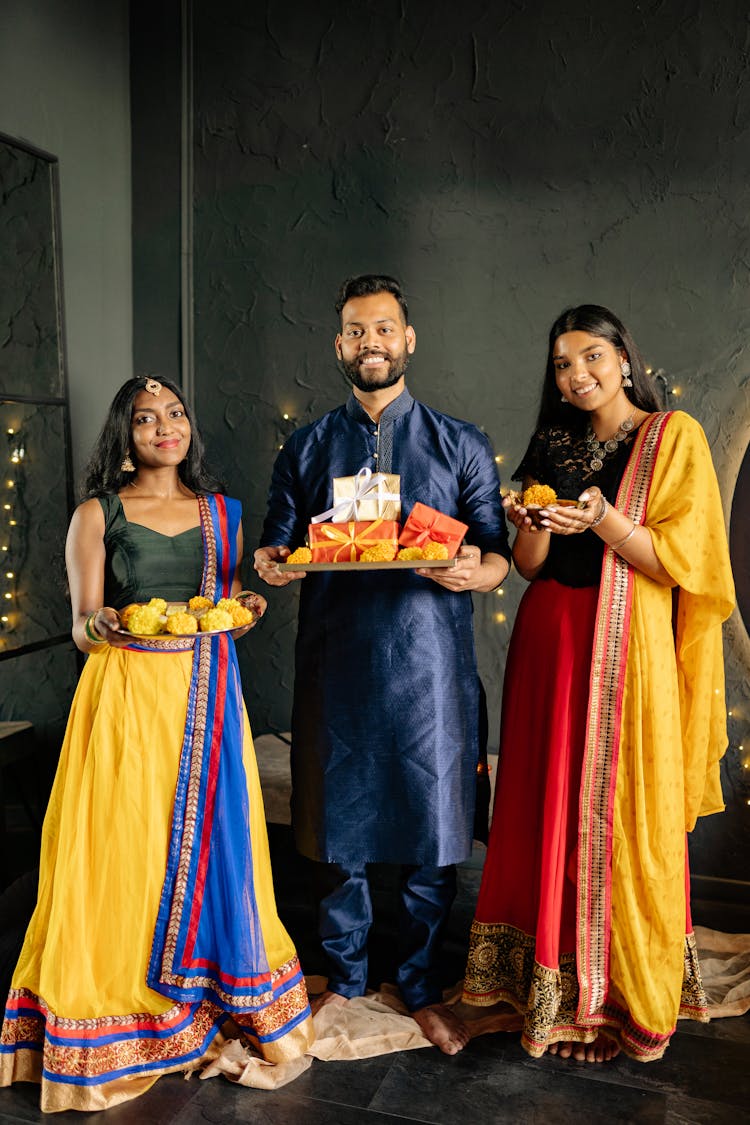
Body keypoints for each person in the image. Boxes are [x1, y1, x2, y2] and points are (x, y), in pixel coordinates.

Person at [0, 376, 313, 1113]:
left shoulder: (222, 513)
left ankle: (201, 988)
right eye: (146, 418)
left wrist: (250, 607)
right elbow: (80, 623)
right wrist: (99, 625)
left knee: (210, 841)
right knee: (120, 846)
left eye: (174, 413)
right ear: (125, 432)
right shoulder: (95, 513)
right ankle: (118, 1007)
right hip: (123, 697)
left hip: (205, 699)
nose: (164, 426)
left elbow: (221, 607)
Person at [462, 305, 735, 1063]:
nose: (575, 374)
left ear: (622, 356)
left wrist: (606, 517)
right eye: (561, 364)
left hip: (627, 648)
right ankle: (547, 987)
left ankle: (612, 998)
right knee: (547, 801)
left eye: (589, 357)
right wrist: (530, 516)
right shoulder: (552, 440)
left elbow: (684, 562)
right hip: (550, 638)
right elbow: (528, 564)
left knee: (621, 810)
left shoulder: (671, 435)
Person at [254, 275, 510, 1055]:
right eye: (356, 331)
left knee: (436, 829)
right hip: (336, 665)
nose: (372, 342)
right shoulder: (305, 445)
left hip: (432, 665)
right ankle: (349, 976)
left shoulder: (459, 441)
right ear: (339, 345)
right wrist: (272, 562)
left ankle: (424, 978)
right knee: (337, 829)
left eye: (384, 328)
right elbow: (277, 540)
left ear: (409, 339)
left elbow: (497, 551)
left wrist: (478, 571)